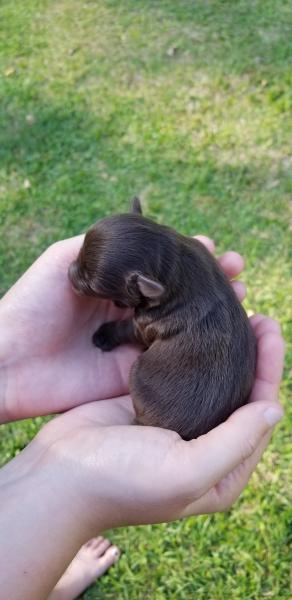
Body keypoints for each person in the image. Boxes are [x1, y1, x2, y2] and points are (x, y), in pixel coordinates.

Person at [0, 234, 284, 600]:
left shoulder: (161, 307)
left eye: (90, 280)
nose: (74, 275)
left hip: (175, 403)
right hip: (201, 385)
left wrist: (114, 333)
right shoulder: (191, 257)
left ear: (144, 287)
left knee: (144, 366)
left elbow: (141, 327)